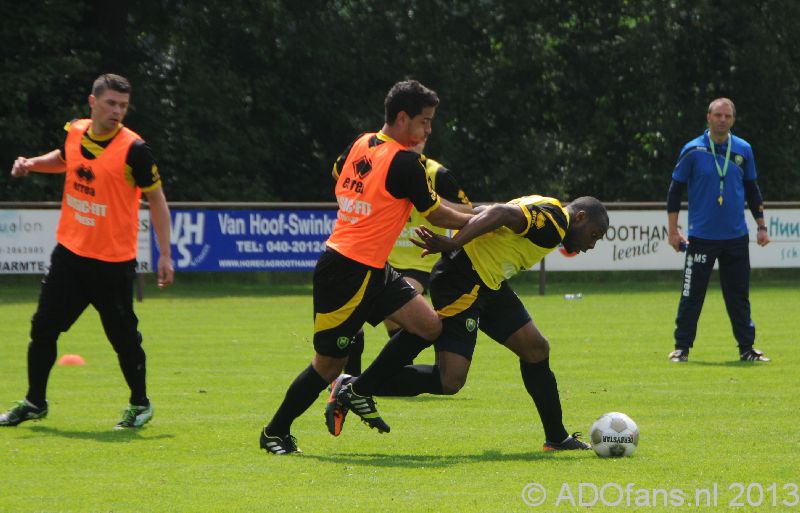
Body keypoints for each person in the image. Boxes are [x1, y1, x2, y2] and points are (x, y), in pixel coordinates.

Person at [259, 80, 474, 455]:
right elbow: (437, 212)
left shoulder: (362, 143)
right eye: (424, 122)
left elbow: (340, 178)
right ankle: (275, 432)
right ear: (402, 118)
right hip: (345, 271)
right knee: (328, 364)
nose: (428, 131)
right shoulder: (406, 161)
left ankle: (357, 387)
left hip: (373, 267)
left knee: (428, 326)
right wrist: (484, 218)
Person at [326, 195, 609, 451]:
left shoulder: (549, 206)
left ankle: (557, 438)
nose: (590, 245)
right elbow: (500, 212)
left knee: (536, 349)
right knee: (450, 380)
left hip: (489, 282)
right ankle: (354, 386)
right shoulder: (557, 221)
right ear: (581, 217)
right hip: (463, 280)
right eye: (593, 236)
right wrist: (453, 242)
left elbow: (490, 211)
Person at [1, 73, 174, 429]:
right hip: (69, 255)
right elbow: (64, 158)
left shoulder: (135, 150)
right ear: (92, 103)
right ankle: (35, 401)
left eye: (123, 106)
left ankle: (140, 404)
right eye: (111, 103)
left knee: (124, 339)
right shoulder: (77, 131)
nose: (117, 111)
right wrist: (32, 163)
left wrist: (165, 254)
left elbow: (156, 200)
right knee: (43, 328)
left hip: (112, 263)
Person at [341, 143, 472, 377]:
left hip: (419, 261)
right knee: (376, 323)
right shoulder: (381, 164)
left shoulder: (437, 174)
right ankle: (354, 384)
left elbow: (468, 212)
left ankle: (364, 382)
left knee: (377, 310)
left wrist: (429, 199)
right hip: (382, 259)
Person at [666, 98, 770, 363]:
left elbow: (752, 190)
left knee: (739, 296)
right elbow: (675, 191)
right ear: (708, 117)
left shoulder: (744, 149)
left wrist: (761, 226)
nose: (722, 119)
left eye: (727, 116)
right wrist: (673, 231)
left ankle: (747, 349)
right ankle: (682, 348)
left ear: (733, 119)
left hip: (735, 237)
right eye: (718, 115)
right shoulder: (692, 150)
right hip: (701, 238)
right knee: (691, 294)